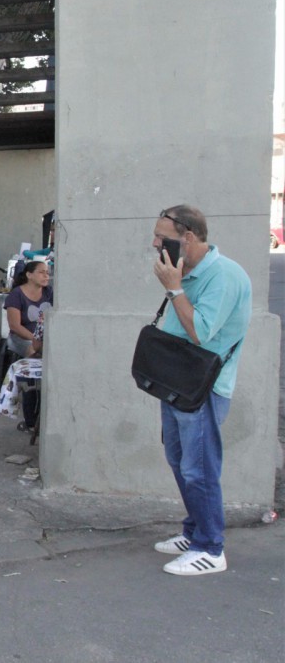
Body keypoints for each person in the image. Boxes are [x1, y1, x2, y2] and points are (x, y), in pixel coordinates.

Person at [151, 205, 251, 576]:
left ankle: (211, 548)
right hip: (177, 381)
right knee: (180, 462)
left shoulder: (223, 276)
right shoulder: (190, 272)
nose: (155, 243)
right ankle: (194, 533)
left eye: (162, 236)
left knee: (199, 468)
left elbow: (201, 332)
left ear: (188, 237)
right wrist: (177, 284)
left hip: (202, 389)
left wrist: (173, 288)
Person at [5, 260, 53, 357]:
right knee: (33, 351)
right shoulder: (16, 294)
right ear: (29, 275)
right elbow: (15, 326)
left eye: (47, 273)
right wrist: (36, 340)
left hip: (46, 338)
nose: (46, 276)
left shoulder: (50, 292)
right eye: (41, 272)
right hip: (22, 338)